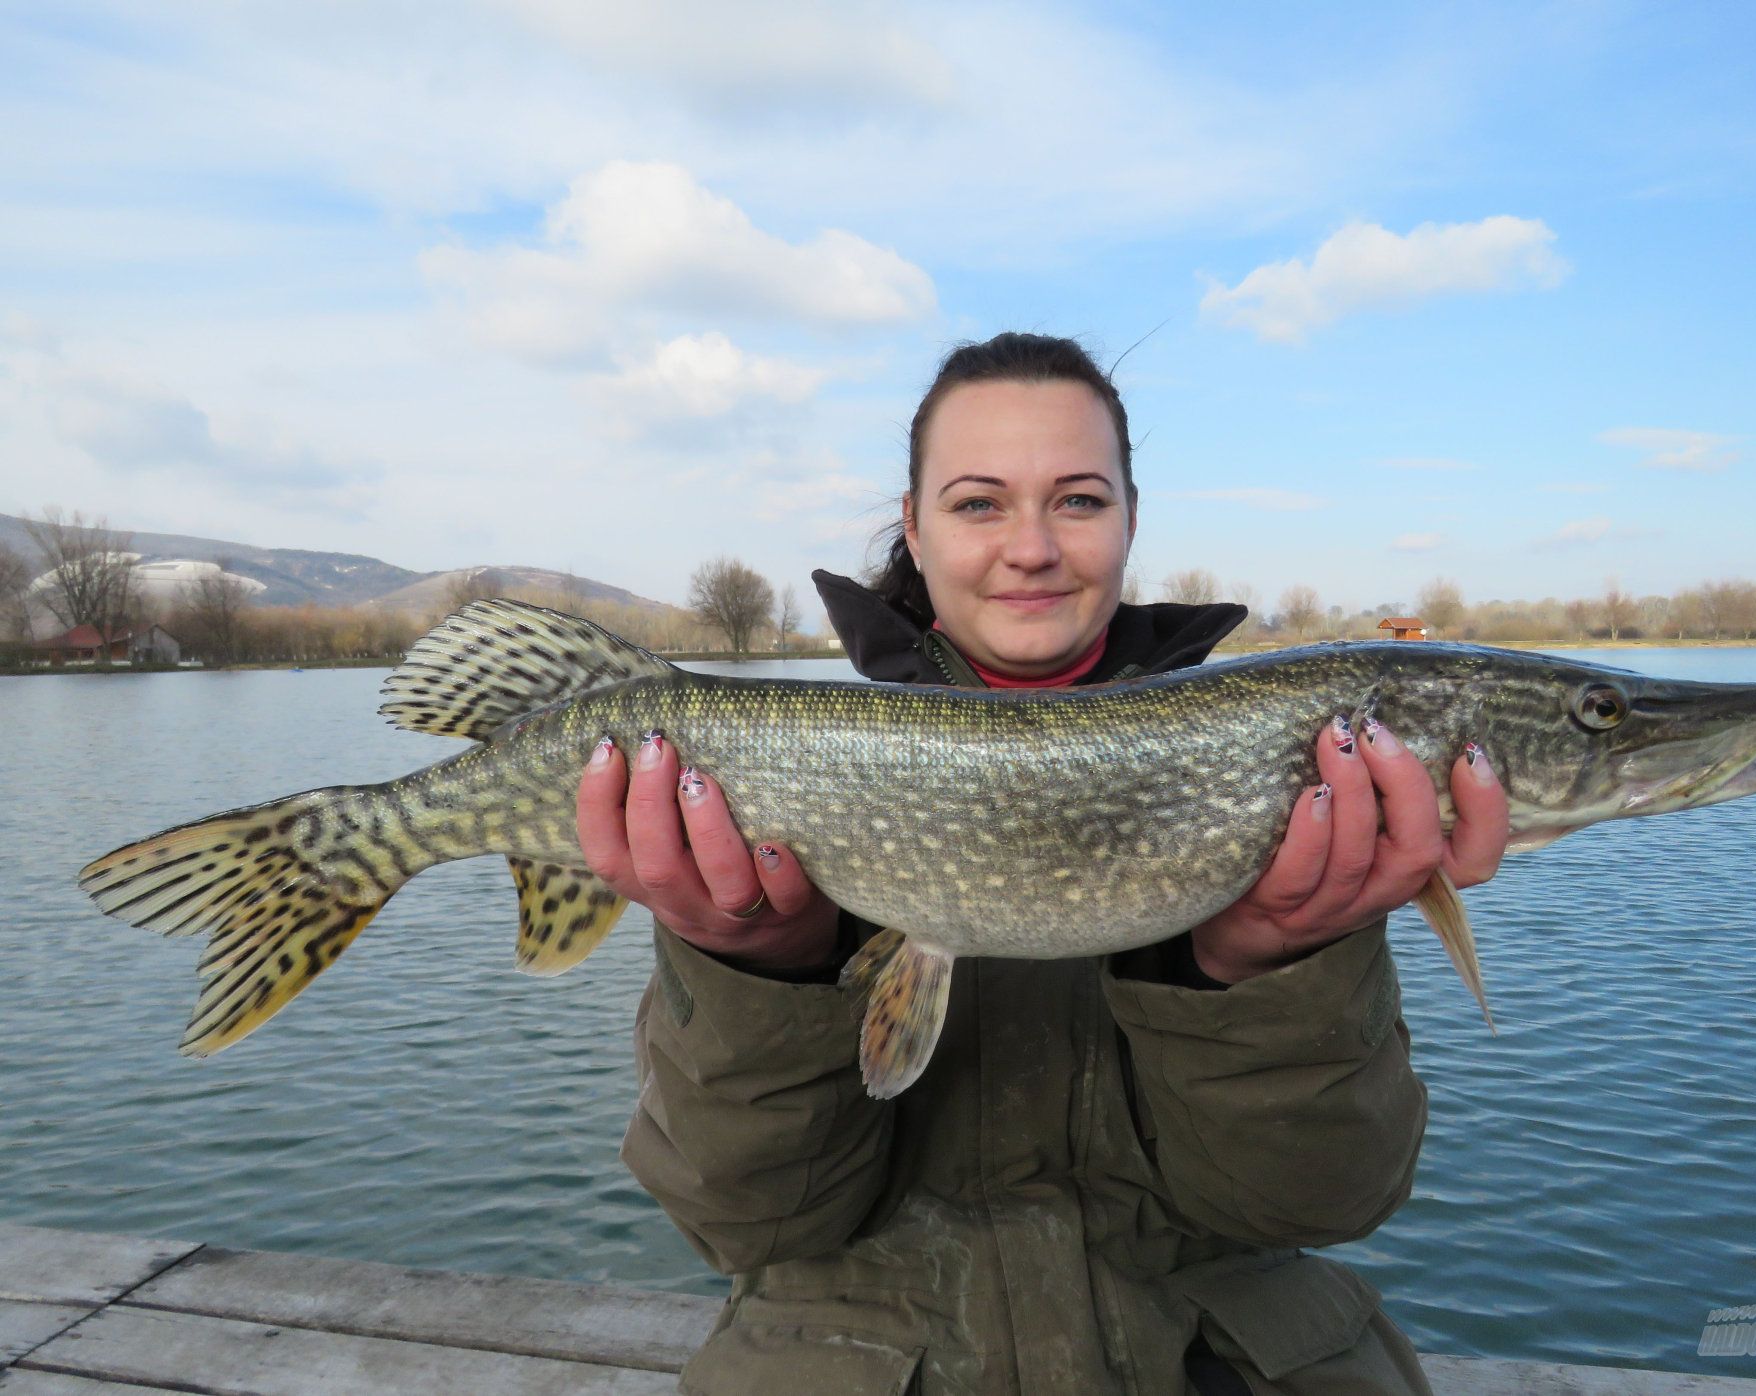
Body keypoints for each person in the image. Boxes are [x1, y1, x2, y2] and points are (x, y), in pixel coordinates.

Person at [575, 332, 1511, 1395]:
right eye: (979, 503)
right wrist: (762, 970)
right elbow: (742, 1218)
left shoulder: (1302, 774)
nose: (1032, 547)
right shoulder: (770, 764)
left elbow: (1321, 1203)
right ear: (915, 532)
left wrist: (1259, 970)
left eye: (1077, 500)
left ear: (1129, 523)